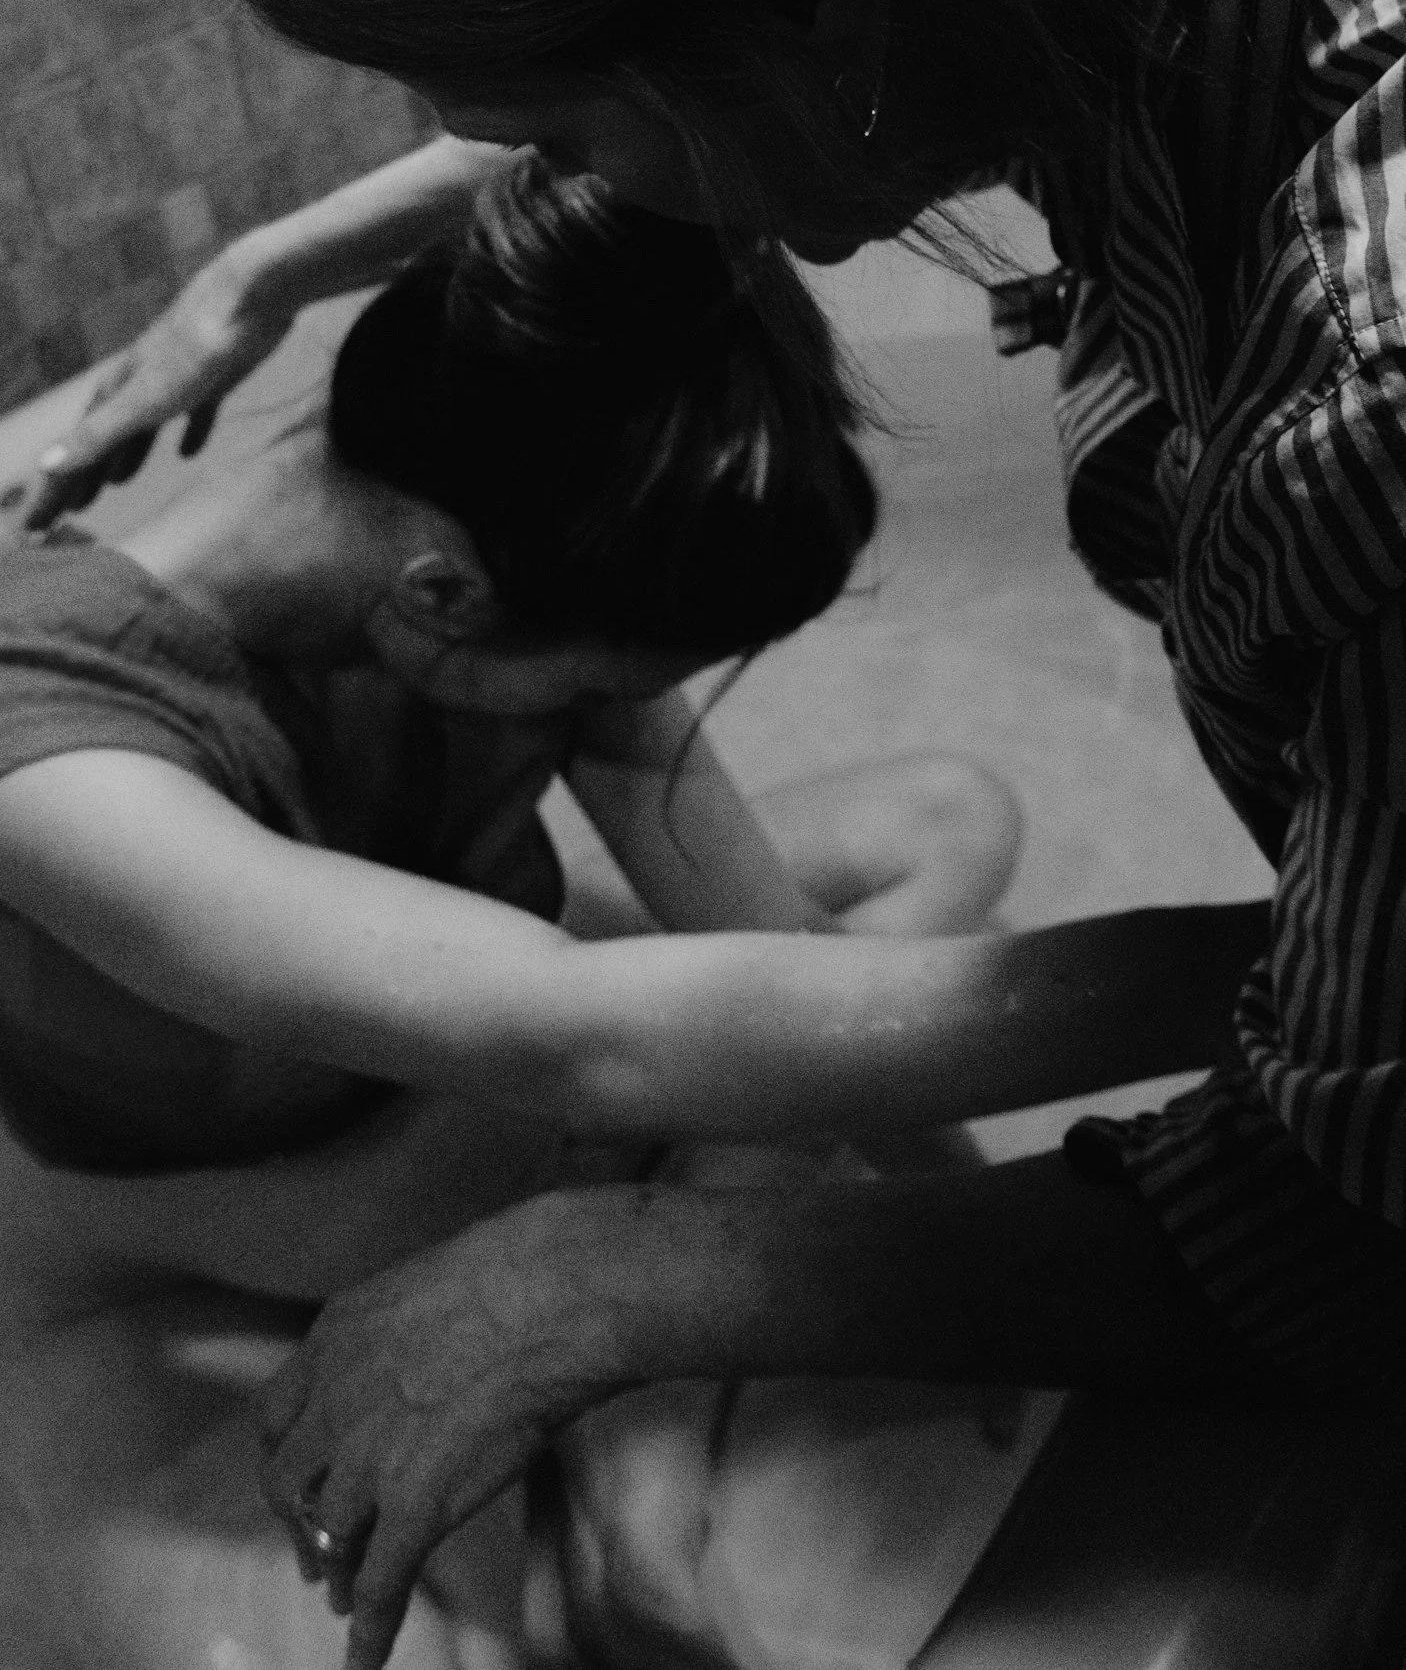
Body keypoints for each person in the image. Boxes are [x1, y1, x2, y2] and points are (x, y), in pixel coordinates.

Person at [17, 0, 1406, 1664]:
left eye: (566, 122)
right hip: (217, 1205)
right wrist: (281, 254)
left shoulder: (1360, 357)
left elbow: (1342, 1212)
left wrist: (643, 1272)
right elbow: (593, 1022)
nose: (566, 195)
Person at [0, 147, 1026, 1667]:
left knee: (946, 819)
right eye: (607, 685)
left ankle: (637, 1465)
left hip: (512, 1100)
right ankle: (622, 1394)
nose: (630, 713)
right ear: (438, 602)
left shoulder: (504, 509)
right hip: (231, 1241)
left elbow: (760, 953)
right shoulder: (54, 742)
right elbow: (593, 1036)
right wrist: (1272, 981)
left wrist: (972, 1221)